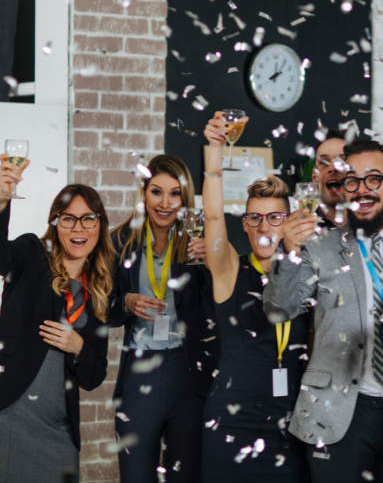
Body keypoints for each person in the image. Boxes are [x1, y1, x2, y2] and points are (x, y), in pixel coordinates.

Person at [263, 139, 383, 483]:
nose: (363, 190)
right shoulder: (317, 246)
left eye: (374, 178)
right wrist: (289, 249)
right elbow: (278, 310)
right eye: (352, 181)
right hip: (336, 412)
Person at [200, 111, 309, 482]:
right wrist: (215, 151)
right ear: (244, 224)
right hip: (231, 426)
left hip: (289, 427)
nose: (264, 226)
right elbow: (213, 217)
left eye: (275, 217)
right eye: (254, 218)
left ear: (289, 222)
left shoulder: (306, 274)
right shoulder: (230, 268)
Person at [0, 157, 113, 482]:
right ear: (55, 223)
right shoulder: (31, 253)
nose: (79, 229)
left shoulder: (99, 289)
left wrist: (79, 346)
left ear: (100, 224)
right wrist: (2, 199)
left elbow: (93, 377)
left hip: (59, 428)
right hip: (9, 413)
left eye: (88, 219)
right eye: (68, 219)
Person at [109, 155, 218, 483]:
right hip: (140, 376)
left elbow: (220, 309)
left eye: (175, 194)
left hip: (189, 374)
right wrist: (125, 302)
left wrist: (215, 263)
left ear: (185, 199)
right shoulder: (119, 241)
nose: (166, 203)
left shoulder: (201, 245)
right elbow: (103, 310)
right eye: (157, 192)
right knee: (135, 475)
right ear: (143, 193)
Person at [313, 128, 346, 230]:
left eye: (341, 162)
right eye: (324, 162)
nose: (332, 168)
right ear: (314, 176)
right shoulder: (299, 234)